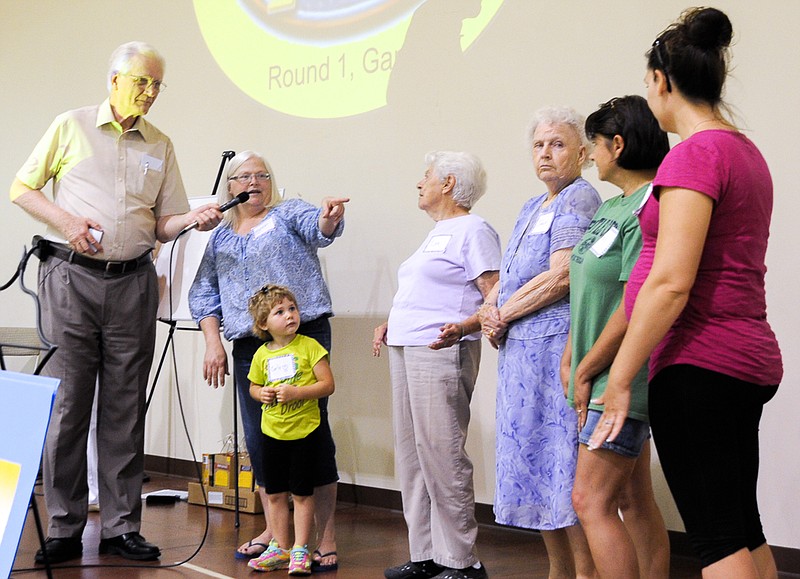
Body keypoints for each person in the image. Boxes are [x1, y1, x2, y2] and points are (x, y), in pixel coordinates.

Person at [9, 41, 223, 564]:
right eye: (141, 82)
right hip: (71, 280)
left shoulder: (161, 144)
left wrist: (192, 221)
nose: (149, 94)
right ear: (114, 80)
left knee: (125, 409)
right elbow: (22, 187)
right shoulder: (72, 125)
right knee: (69, 405)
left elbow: (165, 221)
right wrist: (66, 222)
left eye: (156, 85)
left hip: (133, 282)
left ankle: (122, 526)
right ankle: (62, 527)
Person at [589, 8, 783, 579]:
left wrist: (621, 377)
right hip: (745, 360)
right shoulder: (744, 150)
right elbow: (650, 278)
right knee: (741, 528)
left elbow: (670, 283)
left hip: (702, 365)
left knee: (717, 540)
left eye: (649, 83)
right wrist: (596, 363)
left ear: (662, 81)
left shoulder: (694, 155)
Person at [188, 150, 347, 571]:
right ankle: (278, 535)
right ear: (230, 188)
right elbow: (203, 295)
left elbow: (320, 227)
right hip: (250, 347)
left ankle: (324, 534)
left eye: (262, 174)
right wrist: (212, 343)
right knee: (262, 441)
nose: (254, 181)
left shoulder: (288, 213)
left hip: (304, 335)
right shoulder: (220, 236)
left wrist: (329, 218)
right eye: (244, 176)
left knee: (311, 439)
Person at [478, 107, 601, 579]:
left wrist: (502, 313)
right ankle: (558, 571)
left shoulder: (579, 197)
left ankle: (585, 573)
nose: (546, 153)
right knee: (533, 468)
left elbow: (563, 275)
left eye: (558, 144)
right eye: (538, 145)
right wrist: (489, 311)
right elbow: (509, 279)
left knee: (561, 469)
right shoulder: (533, 206)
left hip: (554, 354)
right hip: (519, 359)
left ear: (583, 154)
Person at [373, 151, 500, 579]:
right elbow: (424, 291)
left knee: (442, 453)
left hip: (440, 348)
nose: (418, 183)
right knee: (412, 456)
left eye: (425, 175)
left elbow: (494, 293)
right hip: (407, 345)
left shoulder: (474, 229)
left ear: (448, 183)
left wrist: (464, 326)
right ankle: (425, 554)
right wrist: (392, 322)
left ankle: (462, 561)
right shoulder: (436, 233)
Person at [561, 96, 671, 578]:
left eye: (594, 145)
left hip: (621, 378)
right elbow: (588, 286)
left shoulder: (649, 206)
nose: (590, 154)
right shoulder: (612, 206)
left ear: (618, 145)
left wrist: (588, 367)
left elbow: (635, 302)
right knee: (631, 495)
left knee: (590, 499)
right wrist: (572, 352)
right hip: (597, 373)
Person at [245, 285, 335, 575]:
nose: (289, 315)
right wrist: (262, 395)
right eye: (279, 312)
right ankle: (281, 548)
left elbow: (327, 385)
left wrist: (298, 393)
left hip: (304, 433)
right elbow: (253, 387)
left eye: (292, 309)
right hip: (272, 433)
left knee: (302, 493)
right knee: (275, 494)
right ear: (263, 324)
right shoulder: (261, 354)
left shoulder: (310, 347)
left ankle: (300, 548)